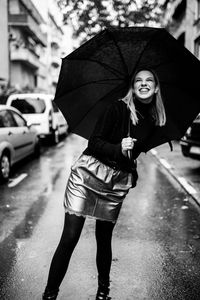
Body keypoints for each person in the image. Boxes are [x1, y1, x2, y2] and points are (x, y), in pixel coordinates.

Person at [42, 69, 166, 300]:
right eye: (138, 80)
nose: (143, 84)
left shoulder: (153, 120)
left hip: (115, 183)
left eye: (149, 80)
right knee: (70, 236)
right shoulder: (117, 107)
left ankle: (103, 293)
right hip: (88, 174)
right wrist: (118, 147)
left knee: (104, 238)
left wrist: (131, 169)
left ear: (156, 87)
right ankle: (49, 295)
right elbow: (95, 142)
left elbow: (132, 156)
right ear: (132, 86)